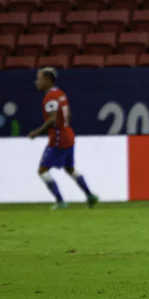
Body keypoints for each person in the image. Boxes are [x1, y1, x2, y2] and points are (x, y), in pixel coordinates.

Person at [28, 67, 99, 210]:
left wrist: (37, 131)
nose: (37, 82)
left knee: (42, 170)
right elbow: (68, 115)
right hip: (69, 134)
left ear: (48, 80)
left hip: (59, 138)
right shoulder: (61, 94)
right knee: (69, 168)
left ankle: (60, 201)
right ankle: (90, 196)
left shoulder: (50, 97)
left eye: (39, 79)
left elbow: (53, 119)